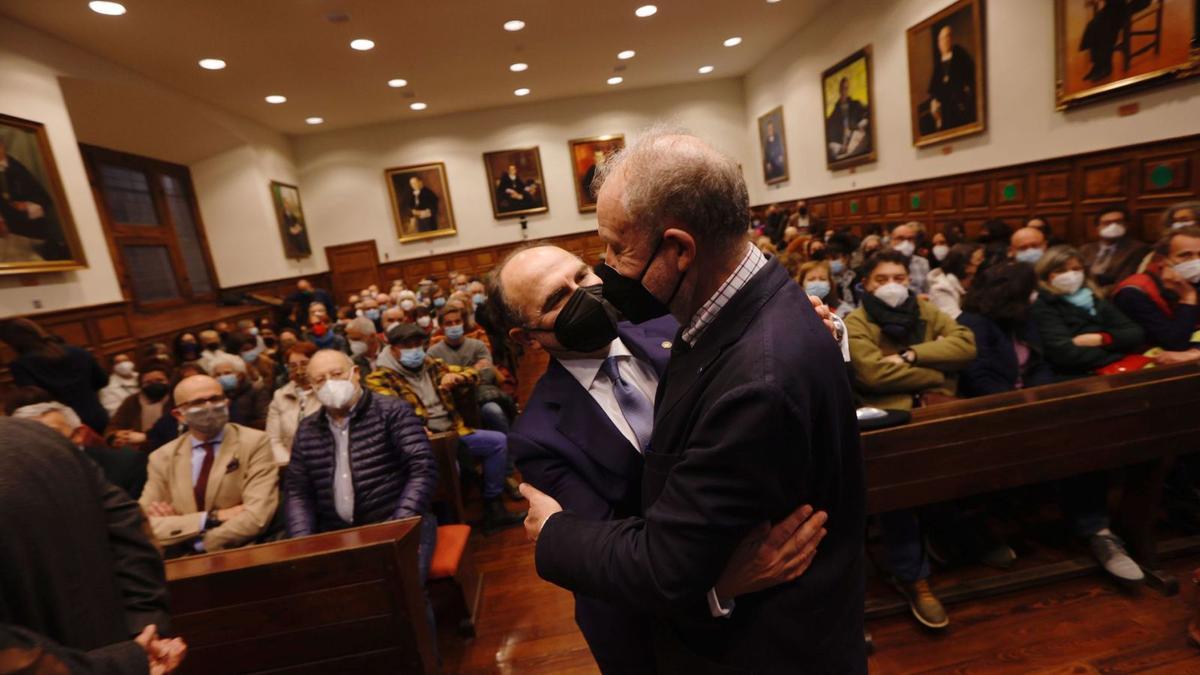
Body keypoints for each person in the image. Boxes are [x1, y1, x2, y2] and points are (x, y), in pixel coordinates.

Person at [521, 128, 866, 673]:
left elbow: (664, 562)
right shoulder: (743, 305)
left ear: (679, 249)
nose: (604, 272)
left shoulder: (756, 376)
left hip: (768, 647)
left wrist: (552, 533)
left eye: (615, 248)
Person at [489, 244, 832, 674]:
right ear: (526, 337)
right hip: (677, 632)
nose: (583, 294)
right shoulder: (539, 436)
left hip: (787, 585)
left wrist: (805, 340)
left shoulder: (682, 326)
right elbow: (607, 559)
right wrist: (719, 586)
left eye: (582, 276)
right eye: (558, 299)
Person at [845, 251, 977, 628]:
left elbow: (966, 345)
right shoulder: (857, 320)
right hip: (892, 420)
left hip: (938, 412)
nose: (892, 286)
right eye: (881, 279)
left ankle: (958, 539)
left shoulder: (926, 312)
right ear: (865, 285)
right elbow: (872, 375)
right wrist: (938, 376)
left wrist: (912, 354)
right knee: (898, 495)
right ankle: (912, 575)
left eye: (900, 278)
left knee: (961, 471)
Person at [0, 417, 184, 674]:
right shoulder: (37, 436)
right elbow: (131, 528)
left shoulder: (33, 438)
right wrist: (144, 633)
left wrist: (134, 651)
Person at [366, 322, 525, 531]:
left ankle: (493, 506)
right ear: (393, 349)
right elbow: (392, 413)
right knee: (452, 469)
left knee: (497, 442)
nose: (414, 350)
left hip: (453, 431)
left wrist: (456, 376)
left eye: (417, 344)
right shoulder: (379, 379)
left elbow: (474, 373)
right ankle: (451, 521)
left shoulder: (431, 365)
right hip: (424, 439)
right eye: (407, 346)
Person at [139, 374, 279, 555]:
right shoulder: (161, 457)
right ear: (179, 415)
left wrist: (198, 543)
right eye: (198, 403)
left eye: (215, 399)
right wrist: (209, 519)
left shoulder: (255, 442)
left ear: (226, 403)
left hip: (240, 554)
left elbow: (256, 516)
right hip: (180, 563)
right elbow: (143, 525)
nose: (209, 407)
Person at [1031, 245, 1144, 376]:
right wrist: (1117, 352)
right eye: (1061, 271)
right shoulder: (1043, 304)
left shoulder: (1093, 298)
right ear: (1046, 275)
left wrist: (1102, 339)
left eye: (1076, 269)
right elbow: (1064, 353)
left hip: (1110, 369)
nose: (1070, 275)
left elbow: (1135, 333)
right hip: (1076, 375)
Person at [956, 261, 1055, 397]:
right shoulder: (974, 322)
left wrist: (1042, 393)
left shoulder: (1022, 316)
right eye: (1029, 291)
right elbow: (978, 377)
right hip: (994, 402)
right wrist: (1018, 401)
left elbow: (1038, 364)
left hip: (1028, 397)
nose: (1034, 295)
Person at [14, 400, 148, 499]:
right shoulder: (15, 482)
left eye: (49, 434)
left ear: (79, 434)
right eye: (28, 438)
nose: (38, 444)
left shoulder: (126, 465)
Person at [0, 317, 110, 433]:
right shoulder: (78, 351)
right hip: (96, 415)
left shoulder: (20, 365)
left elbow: (33, 399)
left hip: (63, 424)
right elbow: (103, 380)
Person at [1113, 226, 1200, 365]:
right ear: (1161, 260)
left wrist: (1196, 352)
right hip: (1151, 368)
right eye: (1185, 255)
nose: (1196, 262)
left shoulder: (1194, 279)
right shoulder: (1133, 292)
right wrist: (1188, 297)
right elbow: (1175, 344)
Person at [428, 305, 509, 433]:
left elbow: (487, 374)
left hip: (479, 396)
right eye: (449, 323)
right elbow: (437, 381)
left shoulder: (478, 345)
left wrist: (453, 374)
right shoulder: (433, 352)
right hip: (450, 404)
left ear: (463, 323)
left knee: (494, 411)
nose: (454, 325)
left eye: (457, 321)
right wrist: (472, 370)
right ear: (441, 327)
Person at [266, 342, 322, 466]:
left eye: (304, 364)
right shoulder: (280, 396)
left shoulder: (327, 391)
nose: (299, 370)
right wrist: (290, 465)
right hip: (291, 464)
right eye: (292, 366)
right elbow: (273, 440)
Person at [105, 362, 173, 453]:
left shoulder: (175, 398)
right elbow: (113, 427)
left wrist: (146, 437)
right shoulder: (132, 401)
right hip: (140, 453)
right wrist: (116, 436)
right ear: (141, 385)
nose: (154, 385)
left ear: (168, 381)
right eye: (148, 382)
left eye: (159, 380)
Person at [1079, 208, 1150, 291]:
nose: (1113, 226)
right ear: (1097, 227)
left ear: (1126, 225)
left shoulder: (1137, 249)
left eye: (1118, 222)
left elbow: (1124, 282)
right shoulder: (1085, 249)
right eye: (1107, 223)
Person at [924, 22, 977, 132]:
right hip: (944, 109)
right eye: (941, 39)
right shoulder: (938, 65)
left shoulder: (960, 55)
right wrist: (934, 103)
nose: (944, 42)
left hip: (960, 104)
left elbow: (970, 77)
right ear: (938, 43)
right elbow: (934, 90)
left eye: (947, 37)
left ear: (951, 39)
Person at [209, 353, 270, 429]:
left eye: (227, 373)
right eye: (218, 375)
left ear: (240, 375)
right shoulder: (214, 395)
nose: (222, 377)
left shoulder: (256, 390)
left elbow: (264, 419)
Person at [927, 242, 985, 319]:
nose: (984, 262)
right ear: (965, 266)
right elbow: (954, 321)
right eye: (979, 260)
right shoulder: (941, 289)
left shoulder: (978, 282)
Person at [826, 76, 871, 163]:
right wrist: (840, 148)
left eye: (846, 88)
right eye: (843, 88)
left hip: (854, 140)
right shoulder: (833, 115)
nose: (844, 91)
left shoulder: (856, 105)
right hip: (842, 147)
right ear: (839, 90)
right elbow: (830, 138)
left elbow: (868, 112)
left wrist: (863, 122)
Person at [888, 222, 931, 294]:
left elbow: (927, 290)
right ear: (891, 241)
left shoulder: (923, 262)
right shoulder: (881, 262)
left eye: (910, 239)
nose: (906, 242)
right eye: (900, 238)